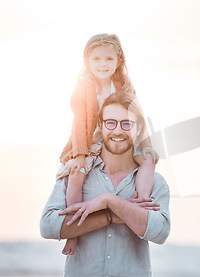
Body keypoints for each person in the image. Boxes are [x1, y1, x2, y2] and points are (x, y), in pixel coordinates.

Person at [40, 91, 171, 277]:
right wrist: (111, 215)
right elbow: (48, 226)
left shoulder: (155, 182)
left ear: (139, 128)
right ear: (100, 126)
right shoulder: (76, 172)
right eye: (111, 122)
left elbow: (160, 232)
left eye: (127, 123)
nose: (118, 131)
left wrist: (109, 200)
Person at [57, 33, 158, 255]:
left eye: (109, 59)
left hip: (122, 138)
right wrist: (81, 155)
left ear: (119, 61)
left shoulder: (123, 85)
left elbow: (138, 115)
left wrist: (147, 143)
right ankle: (73, 234)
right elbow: (79, 124)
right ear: (87, 61)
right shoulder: (83, 88)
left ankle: (139, 201)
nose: (103, 64)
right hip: (89, 140)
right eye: (96, 59)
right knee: (76, 175)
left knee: (149, 159)